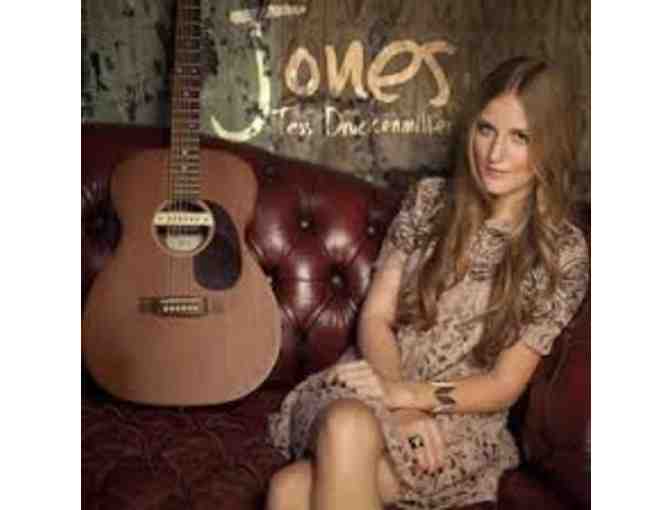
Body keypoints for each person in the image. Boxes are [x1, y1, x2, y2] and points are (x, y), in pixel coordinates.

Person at [265, 56, 589, 510]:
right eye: (486, 129)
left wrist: (413, 400)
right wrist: (399, 401)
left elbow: (504, 383)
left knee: (289, 492)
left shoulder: (562, 253)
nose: (494, 154)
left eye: (521, 138)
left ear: (551, 147)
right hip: (374, 377)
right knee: (346, 425)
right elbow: (376, 318)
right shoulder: (429, 201)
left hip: (458, 417)